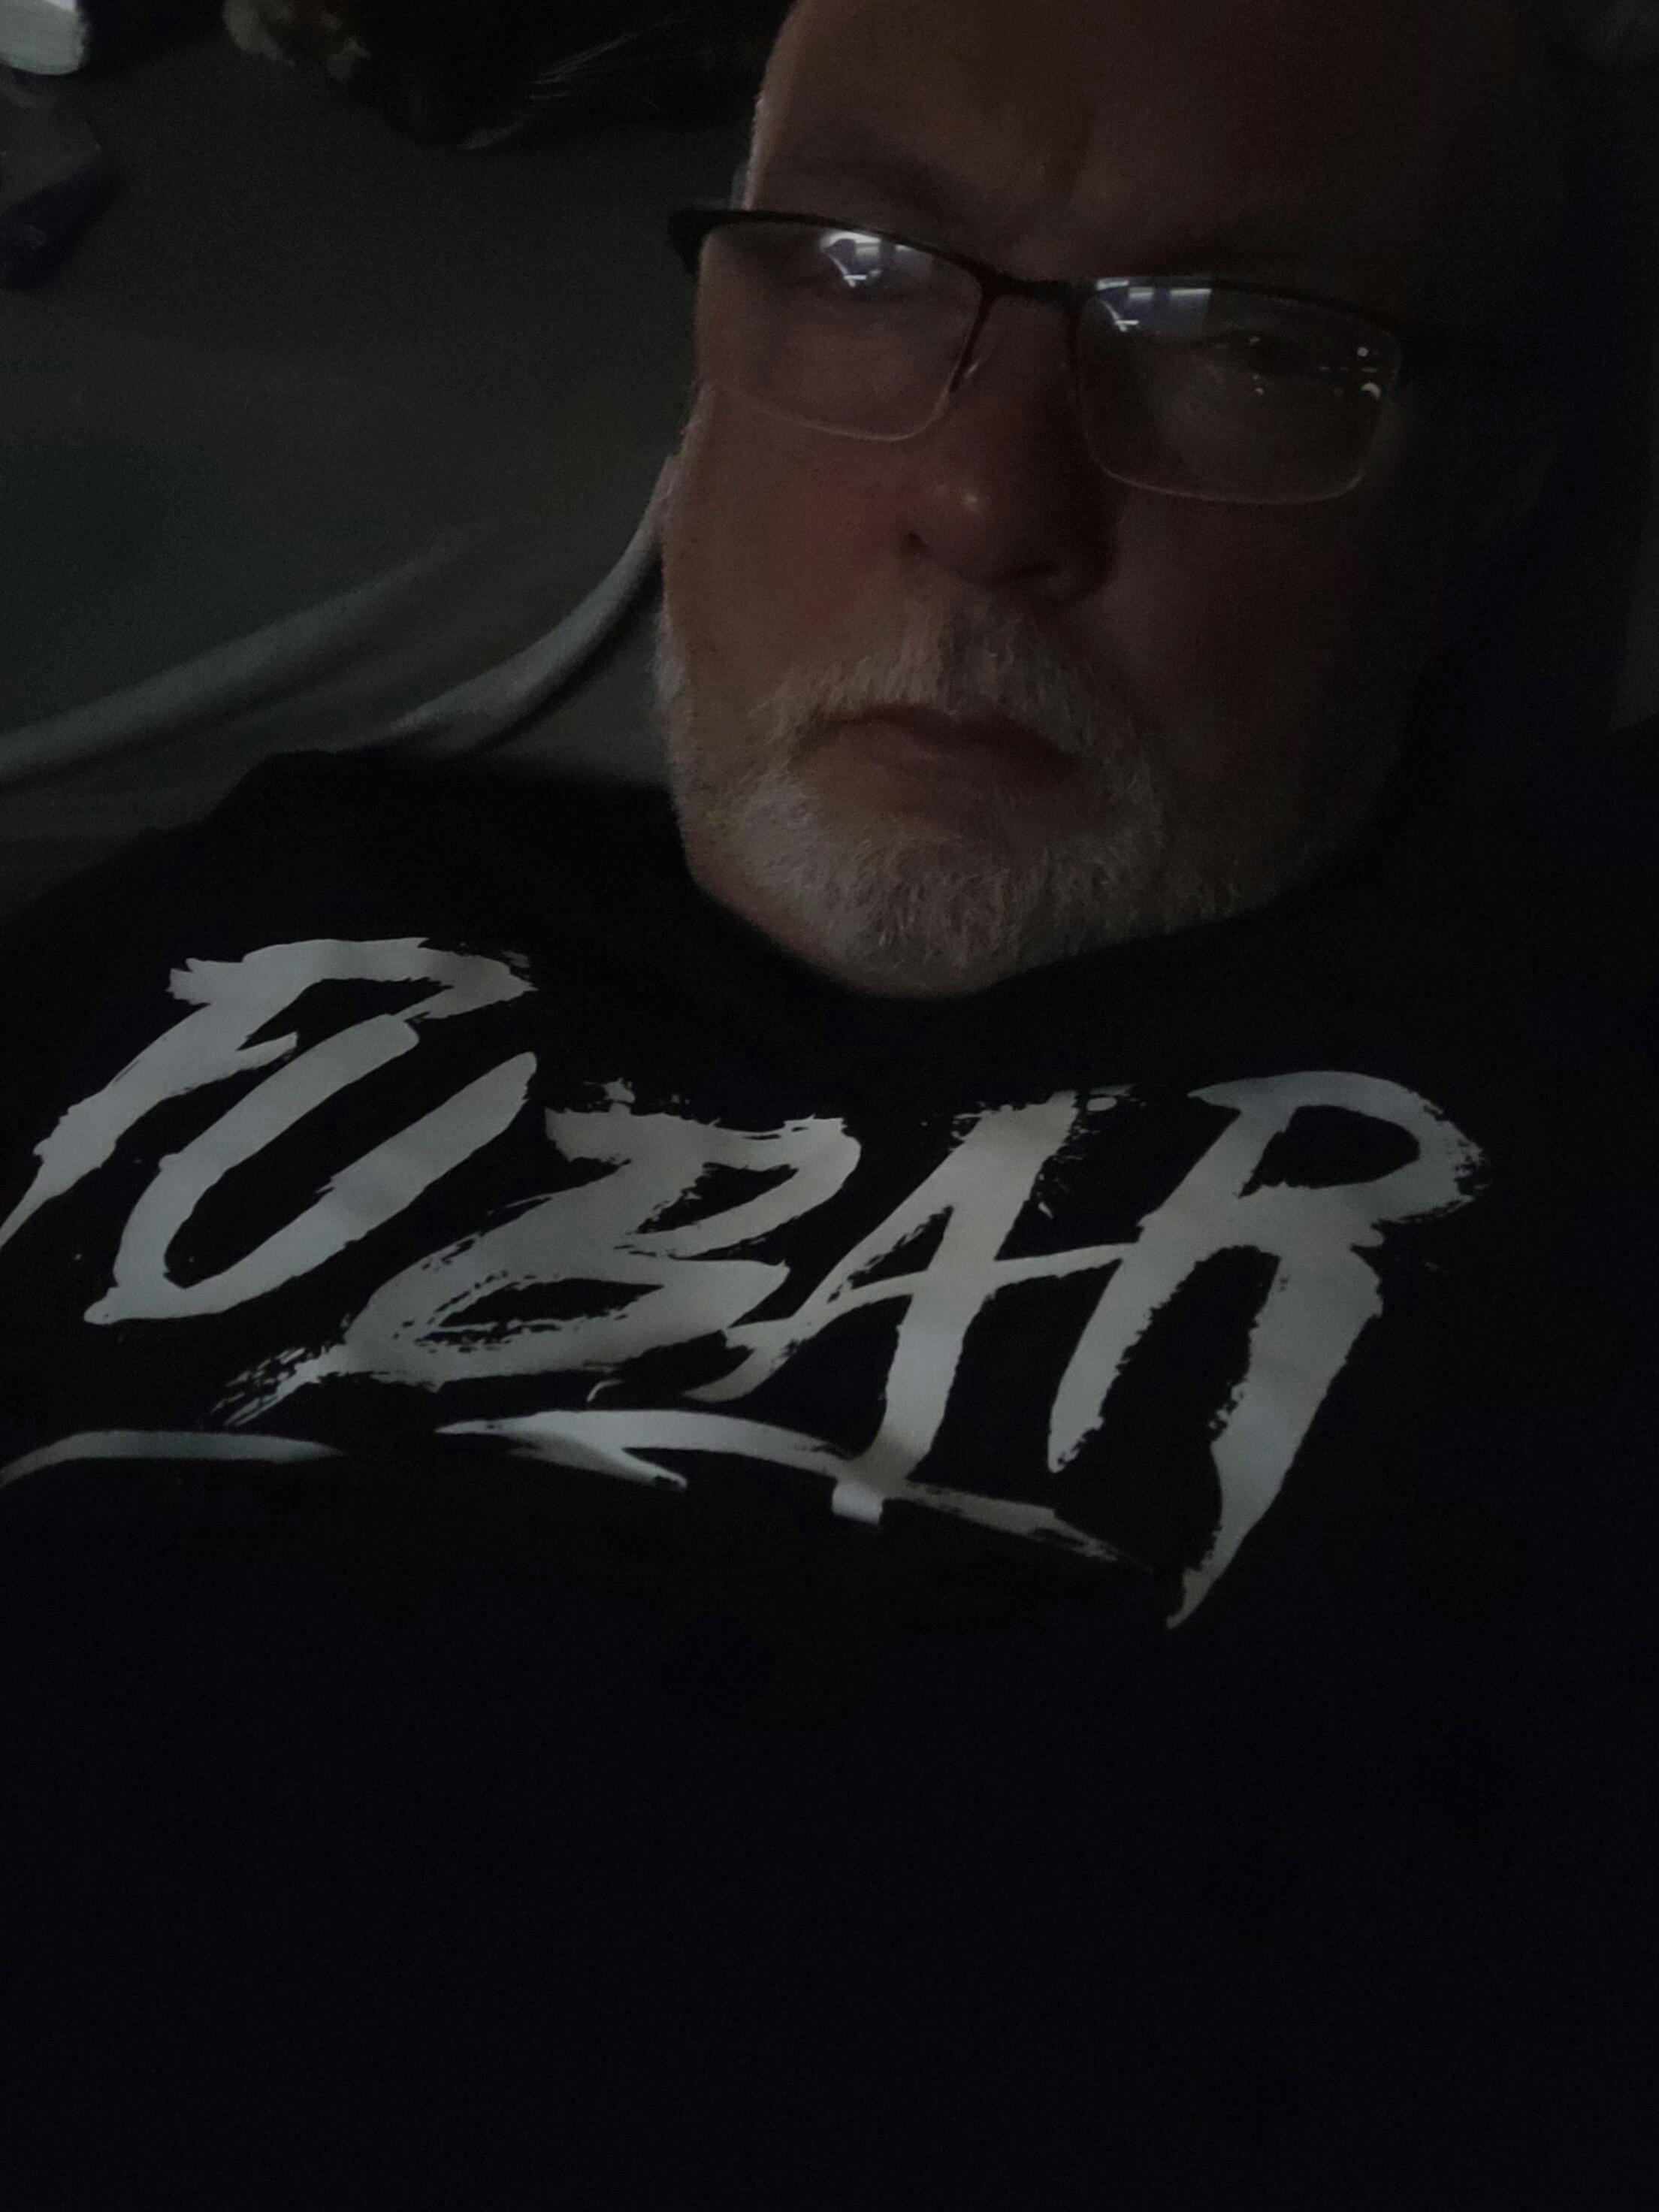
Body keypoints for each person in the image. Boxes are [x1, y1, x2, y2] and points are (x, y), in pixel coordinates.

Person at [0, 0, 1651, 2201]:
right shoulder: (269, 887)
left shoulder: (1578, 1054)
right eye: (863, 269)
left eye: (1245, 345)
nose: (987, 501)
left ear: (1485, 494)